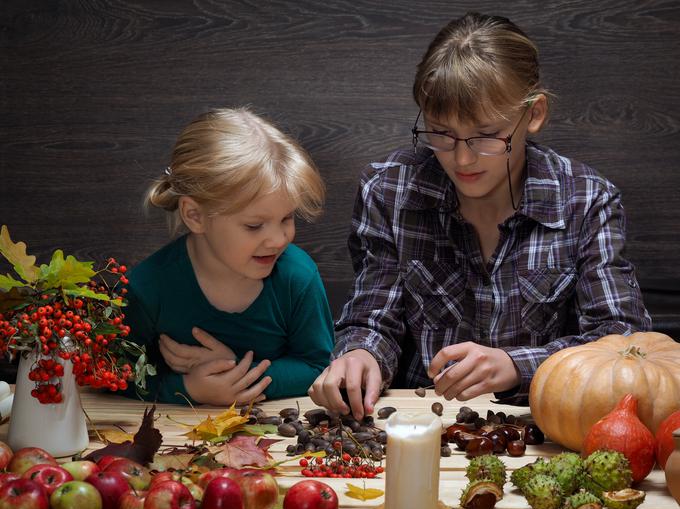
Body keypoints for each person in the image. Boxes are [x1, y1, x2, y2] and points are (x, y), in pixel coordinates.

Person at [308, 12, 651, 420]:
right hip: (418, 423)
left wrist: (516, 365)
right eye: (441, 133)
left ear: (534, 114)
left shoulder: (587, 200)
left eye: (487, 135)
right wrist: (361, 353)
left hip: (544, 427)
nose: (462, 158)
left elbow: (624, 343)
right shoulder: (388, 191)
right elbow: (374, 318)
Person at [123, 107, 334, 405]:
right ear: (195, 215)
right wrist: (188, 388)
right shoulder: (147, 288)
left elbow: (318, 367)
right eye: (254, 225)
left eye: (287, 218)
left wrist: (236, 374)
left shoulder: (297, 276)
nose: (278, 239)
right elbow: (114, 374)